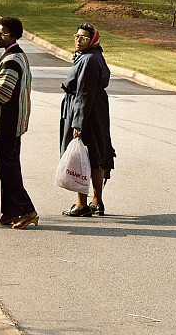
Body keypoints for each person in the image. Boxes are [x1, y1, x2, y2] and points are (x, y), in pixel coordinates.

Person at [0, 16, 38, 229]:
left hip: (7, 123)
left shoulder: (12, 59)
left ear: (14, 35)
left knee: (9, 169)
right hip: (13, 123)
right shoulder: (15, 55)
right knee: (8, 166)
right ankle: (10, 211)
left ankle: (27, 211)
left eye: (2, 34)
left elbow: (4, 93)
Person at [58, 23, 115, 217]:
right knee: (96, 154)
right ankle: (97, 202)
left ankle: (82, 204)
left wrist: (78, 124)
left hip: (85, 113)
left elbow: (84, 93)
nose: (78, 40)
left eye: (83, 37)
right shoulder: (93, 56)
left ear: (92, 40)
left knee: (80, 157)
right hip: (96, 111)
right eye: (76, 36)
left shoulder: (89, 59)